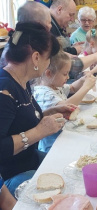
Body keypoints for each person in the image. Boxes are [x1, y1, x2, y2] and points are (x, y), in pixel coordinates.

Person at [0, 22, 75, 195]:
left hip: (29, 161)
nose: (48, 64)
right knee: (66, 190)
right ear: (35, 58)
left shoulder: (22, 81)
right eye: (48, 58)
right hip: (10, 177)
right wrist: (40, 132)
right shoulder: (4, 90)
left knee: (71, 167)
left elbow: (22, 119)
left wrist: (50, 113)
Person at [33, 51, 96, 152]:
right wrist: (86, 87)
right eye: (65, 74)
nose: (68, 77)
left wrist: (83, 80)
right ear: (49, 73)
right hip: (52, 146)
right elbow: (66, 106)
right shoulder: (44, 93)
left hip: (63, 137)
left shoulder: (55, 86)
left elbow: (72, 88)